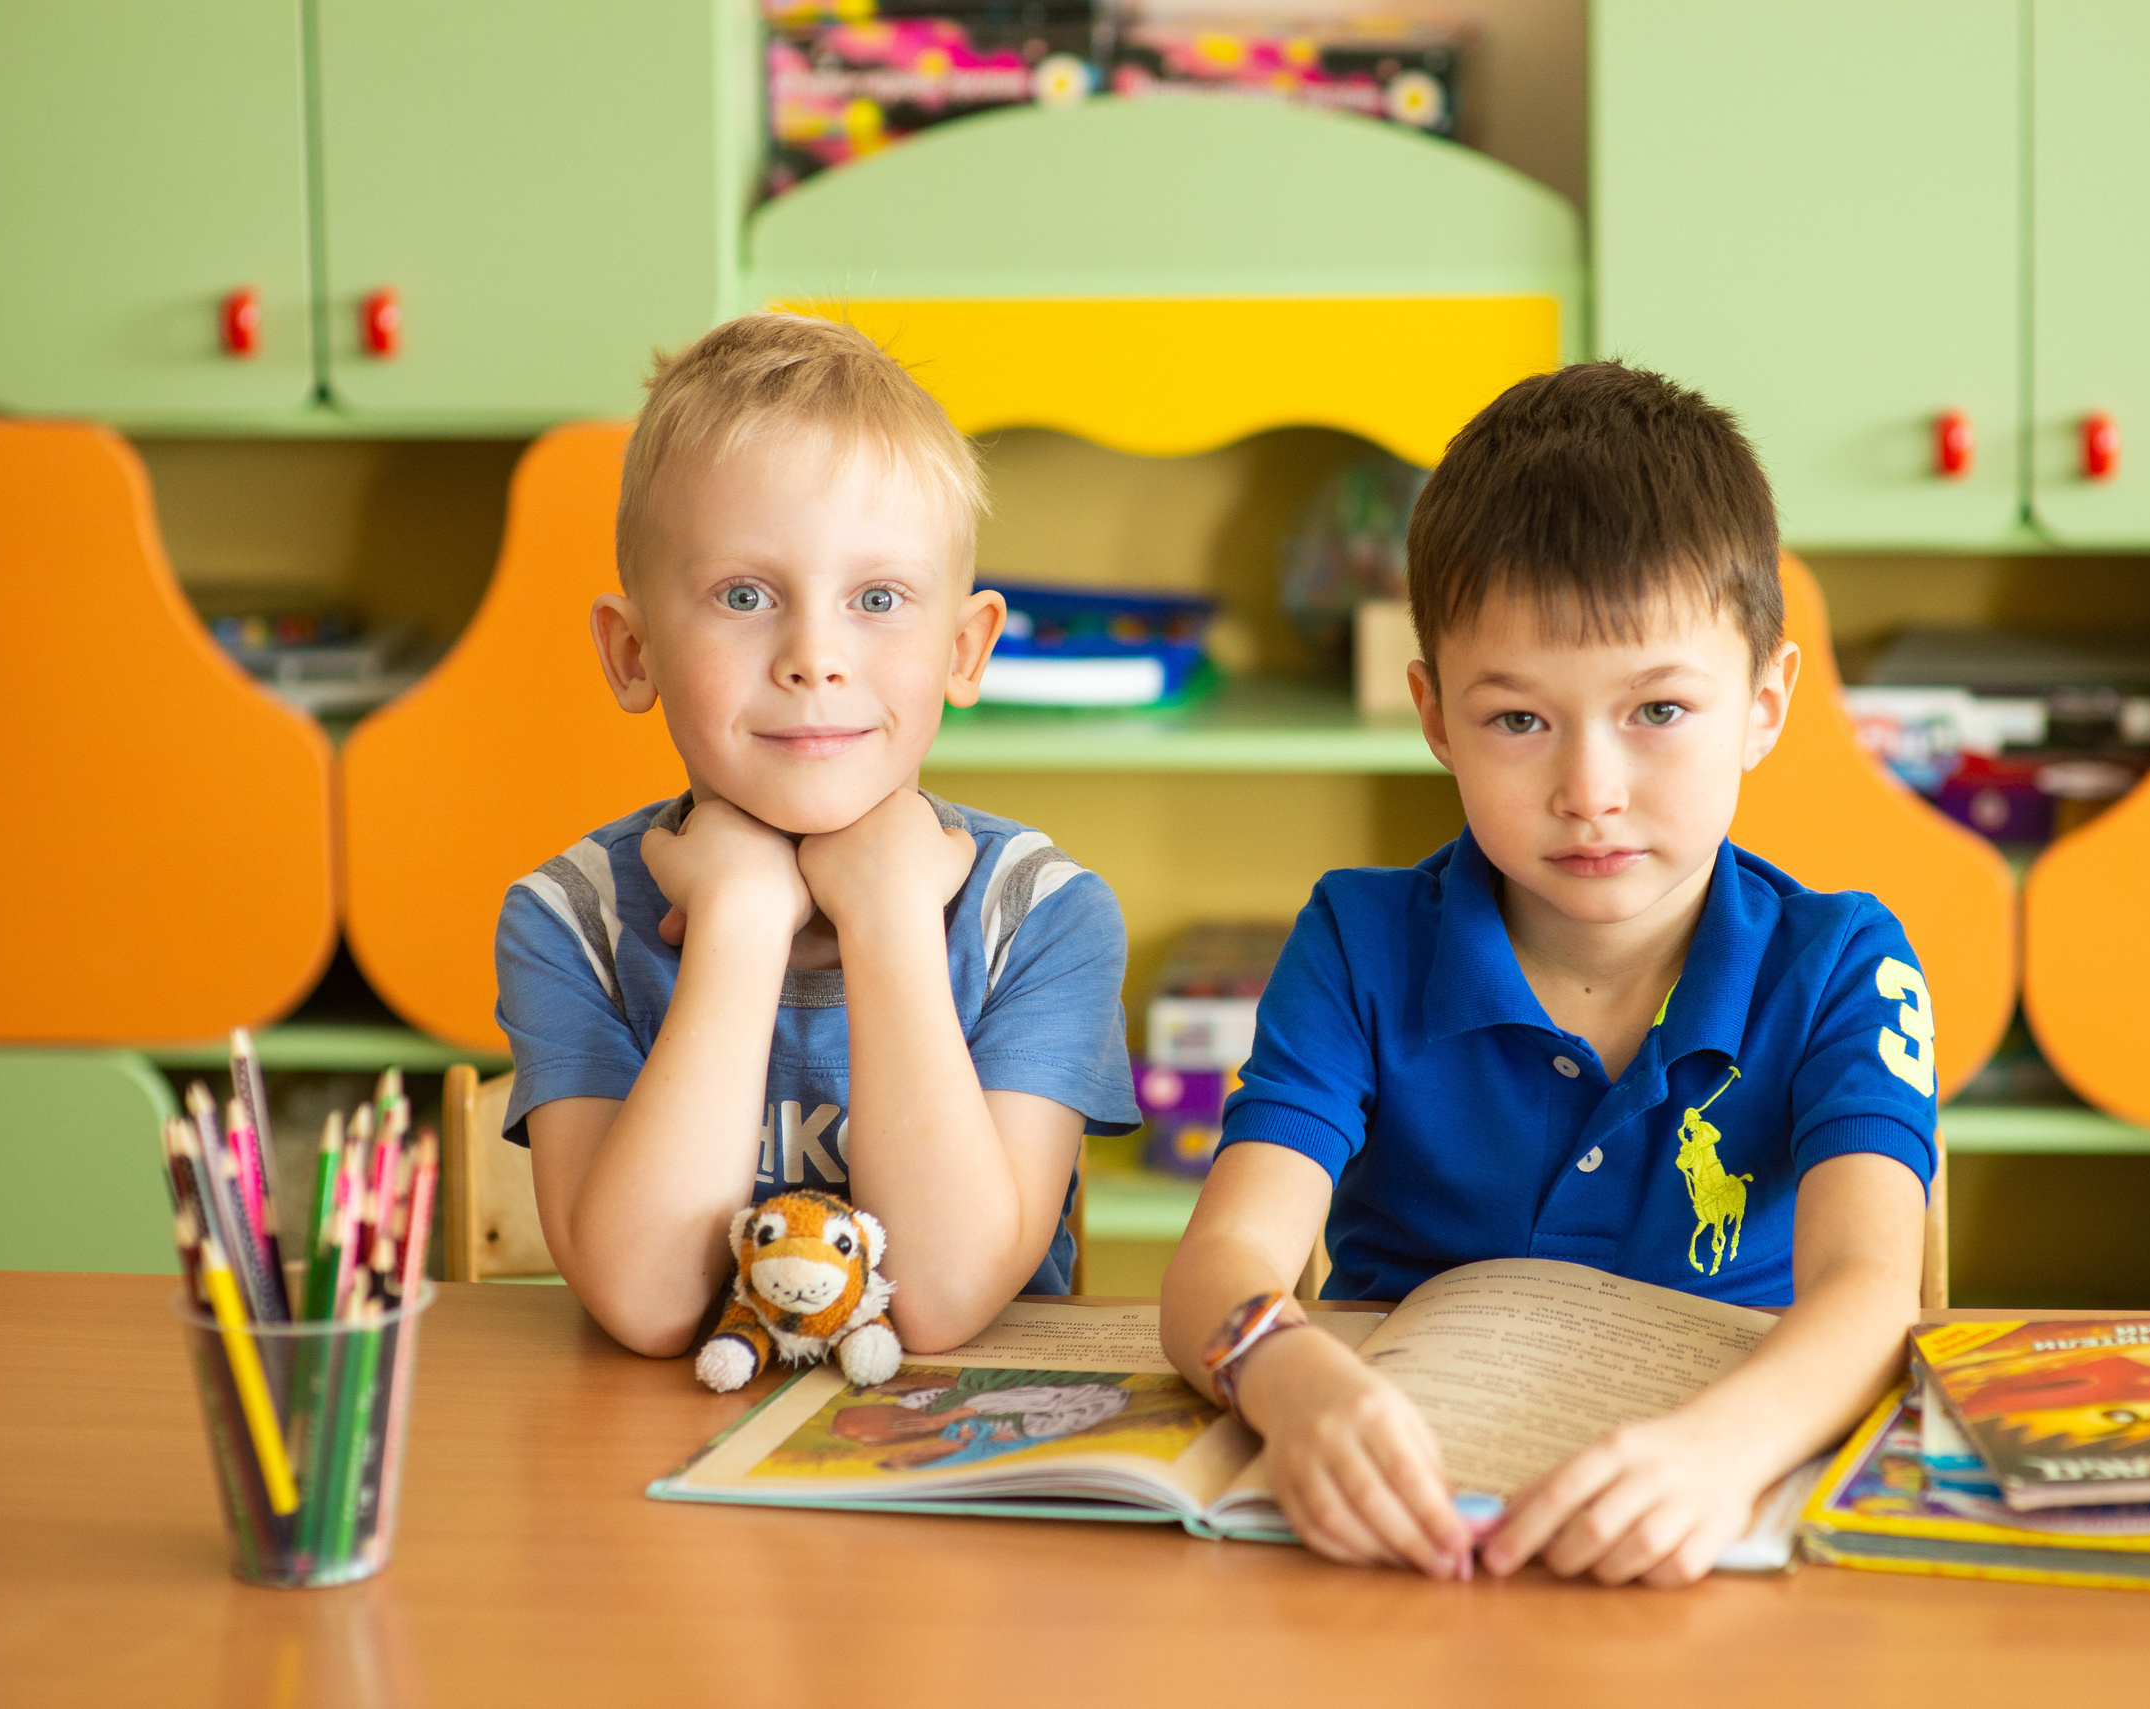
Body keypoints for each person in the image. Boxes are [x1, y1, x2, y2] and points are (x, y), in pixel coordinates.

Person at [1160, 362, 1936, 1588]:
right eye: (1518, 720)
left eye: (1659, 711)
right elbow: (1221, 1259)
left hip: (1720, 1521)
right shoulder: (1358, 940)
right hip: (1404, 1534)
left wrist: (1715, 1454)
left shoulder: (1840, 961)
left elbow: (1870, 1286)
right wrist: (1294, 1379)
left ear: (1765, 700)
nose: (1591, 791)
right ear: (1433, 716)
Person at [497, 313, 1138, 1359]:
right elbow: (652, 1302)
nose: (815, 655)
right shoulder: (569, 919)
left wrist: (887, 913)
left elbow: (936, 1301)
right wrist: (741, 922)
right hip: (654, 1470)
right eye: (744, 594)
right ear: (632, 649)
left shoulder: (1043, 915)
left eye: (878, 598)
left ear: (964, 650)